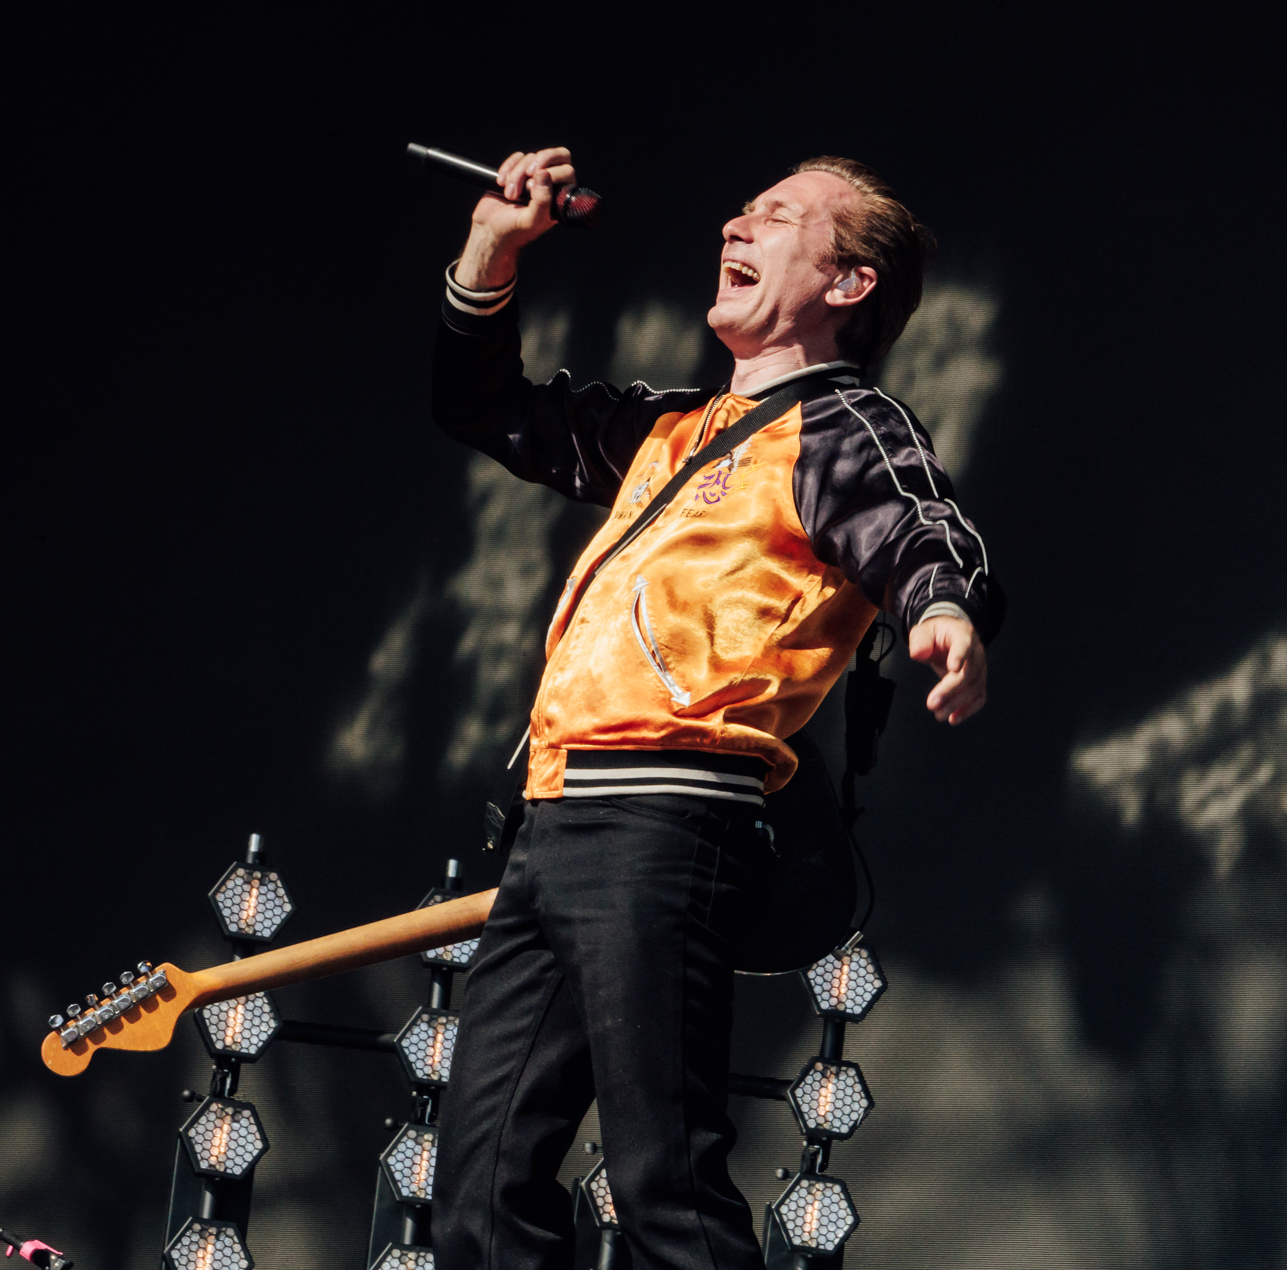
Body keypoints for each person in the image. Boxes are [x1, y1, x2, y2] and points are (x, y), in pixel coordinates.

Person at [428, 146, 1002, 1270]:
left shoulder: (843, 426)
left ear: (848, 283)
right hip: (553, 821)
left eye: (776, 217)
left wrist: (943, 609)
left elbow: (919, 525)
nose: (735, 227)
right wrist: (492, 247)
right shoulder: (669, 429)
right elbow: (482, 404)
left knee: (663, 1189)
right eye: (740, 210)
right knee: (479, 1197)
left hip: (666, 819)